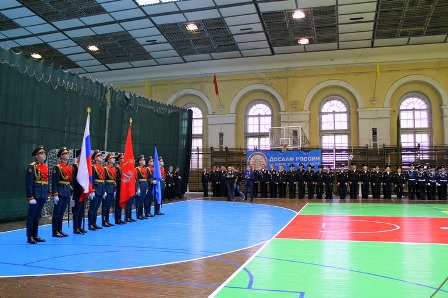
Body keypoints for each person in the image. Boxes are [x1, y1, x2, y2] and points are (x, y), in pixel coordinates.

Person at [25, 145, 51, 244]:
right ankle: (30, 236)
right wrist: (30, 197)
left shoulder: (45, 166)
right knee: (31, 216)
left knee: (37, 216)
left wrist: (48, 194)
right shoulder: (31, 167)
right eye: (41, 153)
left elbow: (47, 181)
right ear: (36, 156)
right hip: (35, 195)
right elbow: (29, 184)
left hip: (42, 194)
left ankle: (35, 235)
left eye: (44, 153)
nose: (44, 155)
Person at [51, 147, 73, 237]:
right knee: (57, 212)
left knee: (62, 212)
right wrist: (55, 194)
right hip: (60, 191)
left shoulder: (70, 167)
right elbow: (54, 182)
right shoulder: (57, 167)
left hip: (67, 191)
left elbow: (71, 181)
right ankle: (55, 231)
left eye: (68, 153)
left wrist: (71, 192)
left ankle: (60, 229)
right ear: (61, 156)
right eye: (65, 154)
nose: (67, 155)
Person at [72, 149, 88, 234]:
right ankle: (75, 227)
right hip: (77, 191)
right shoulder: (75, 166)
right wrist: (72, 191)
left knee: (82, 210)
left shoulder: (85, 166)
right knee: (76, 210)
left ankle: (79, 226)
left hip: (84, 190)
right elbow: (73, 179)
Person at [88, 150, 105, 230]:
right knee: (92, 207)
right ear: (95, 158)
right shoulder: (93, 167)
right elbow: (91, 180)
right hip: (96, 189)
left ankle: (94, 223)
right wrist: (92, 190)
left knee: (96, 207)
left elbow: (103, 180)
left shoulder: (101, 167)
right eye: (99, 156)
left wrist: (104, 190)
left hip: (101, 189)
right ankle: (90, 223)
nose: (101, 157)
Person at [103, 154, 116, 226]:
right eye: (112, 158)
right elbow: (104, 180)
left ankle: (107, 220)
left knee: (108, 206)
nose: (114, 159)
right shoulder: (105, 168)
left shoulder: (113, 169)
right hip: (107, 188)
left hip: (112, 188)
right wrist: (104, 190)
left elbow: (114, 180)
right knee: (105, 206)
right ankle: (104, 220)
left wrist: (115, 190)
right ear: (108, 160)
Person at [135, 155, 148, 219]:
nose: (144, 161)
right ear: (140, 161)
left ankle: (141, 213)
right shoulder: (137, 169)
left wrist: (147, 187)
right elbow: (136, 179)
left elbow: (146, 178)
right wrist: (138, 187)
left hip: (145, 185)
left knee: (142, 200)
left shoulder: (145, 169)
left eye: (144, 160)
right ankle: (138, 214)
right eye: (143, 160)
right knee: (139, 201)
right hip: (140, 185)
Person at [114, 153, 126, 225]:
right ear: (119, 160)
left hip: (123, 188)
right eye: (121, 158)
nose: (123, 159)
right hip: (119, 187)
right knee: (118, 204)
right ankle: (117, 218)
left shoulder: (124, 167)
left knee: (121, 203)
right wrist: (121, 179)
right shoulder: (117, 168)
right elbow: (116, 178)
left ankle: (120, 218)